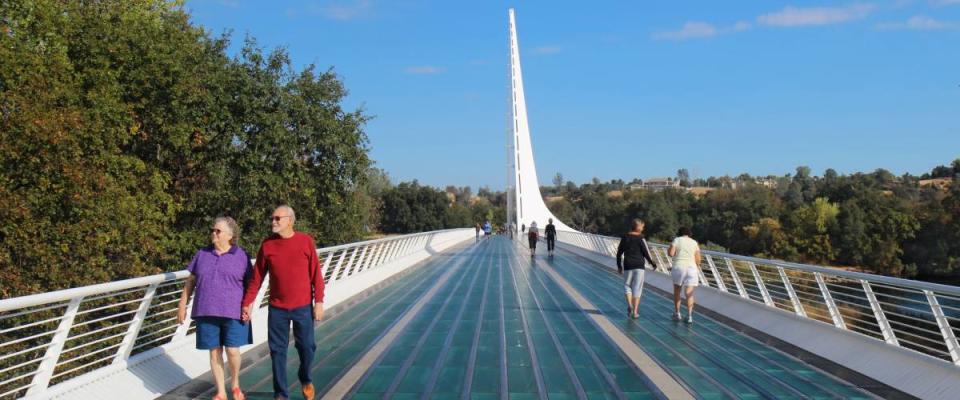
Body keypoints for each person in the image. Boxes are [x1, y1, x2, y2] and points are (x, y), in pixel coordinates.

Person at [241, 206, 325, 400]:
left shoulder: (305, 241)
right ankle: (281, 394)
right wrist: (248, 303)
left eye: (278, 218)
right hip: (277, 308)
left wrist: (318, 302)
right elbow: (256, 278)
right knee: (277, 351)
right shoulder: (267, 246)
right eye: (272, 218)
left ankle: (305, 378)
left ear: (290, 220)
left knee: (308, 347)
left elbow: (316, 276)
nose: (273, 221)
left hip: (303, 307)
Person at [177, 217, 252, 400]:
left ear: (230, 235)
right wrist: (182, 304)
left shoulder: (241, 256)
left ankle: (234, 383)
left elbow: (251, 284)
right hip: (206, 310)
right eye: (213, 230)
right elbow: (191, 281)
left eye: (218, 231)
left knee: (233, 350)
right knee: (214, 351)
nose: (213, 233)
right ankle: (221, 391)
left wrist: (248, 305)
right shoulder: (202, 254)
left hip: (234, 312)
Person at [615, 219, 657, 319]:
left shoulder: (625, 237)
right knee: (637, 288)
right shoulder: (641, 238)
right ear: (638, 227)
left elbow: (619, 253)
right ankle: (635, 311)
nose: (643, 228)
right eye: (642, 226)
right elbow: (646, 253)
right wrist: (652, 263)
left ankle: (630, 305)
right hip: (639, 266)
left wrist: (619, 266)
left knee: (627, 286)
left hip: (628, 265)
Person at [668, 227, 702, 323]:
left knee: (677, 291)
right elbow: (698, 259)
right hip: (691, 268)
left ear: (680, 233)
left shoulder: (677, 240)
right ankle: (689, 316)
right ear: (689, 234)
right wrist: (696, 267)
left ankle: (677, 313)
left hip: (679, 267)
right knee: (689, 293)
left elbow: (671, 253)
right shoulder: (694, 242)